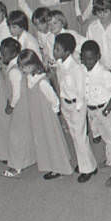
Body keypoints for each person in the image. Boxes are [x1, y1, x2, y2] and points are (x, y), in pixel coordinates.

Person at [17, 49, 74, 180]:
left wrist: (53, 113)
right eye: (21, 67)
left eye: (24, 67)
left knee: (51, 140)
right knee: (43, 140)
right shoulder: (28, 78)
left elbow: (54, 99)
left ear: (33, 65)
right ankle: (50, 163)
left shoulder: (42, 82)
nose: (22, 70)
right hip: (36, 115)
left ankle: (60, 167)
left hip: (46, 116)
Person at [53, 33, 97, 182]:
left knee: (80, 136)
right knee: (74, 135)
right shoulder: (60, 64)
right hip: (66, 103)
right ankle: (85, 162)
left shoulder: (76, 67)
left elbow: (80, 89)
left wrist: (78, 107)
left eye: (57, 49)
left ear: (67, 51)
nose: (54, 51)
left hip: (76, 105)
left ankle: (88, 169)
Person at [81, 40, 111, 186]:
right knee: (105, 137)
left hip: (105, 109)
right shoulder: (83, 70)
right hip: (92, 109)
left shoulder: (104, 73)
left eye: (91, 59)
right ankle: (110, 160)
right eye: (85, 58)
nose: (88, 62)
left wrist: (106, 110)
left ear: (98, 56)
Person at [0, 38, 37, 178]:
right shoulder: (18, 65)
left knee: (16, 136)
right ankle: (29, 158)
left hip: (19, 105)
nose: (3, 56)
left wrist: (10, 106)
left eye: (5, 53)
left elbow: (16, 94)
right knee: (25, 133)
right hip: (25, 103)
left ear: (14, 53)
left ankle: (16, 165)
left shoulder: (14, 71)